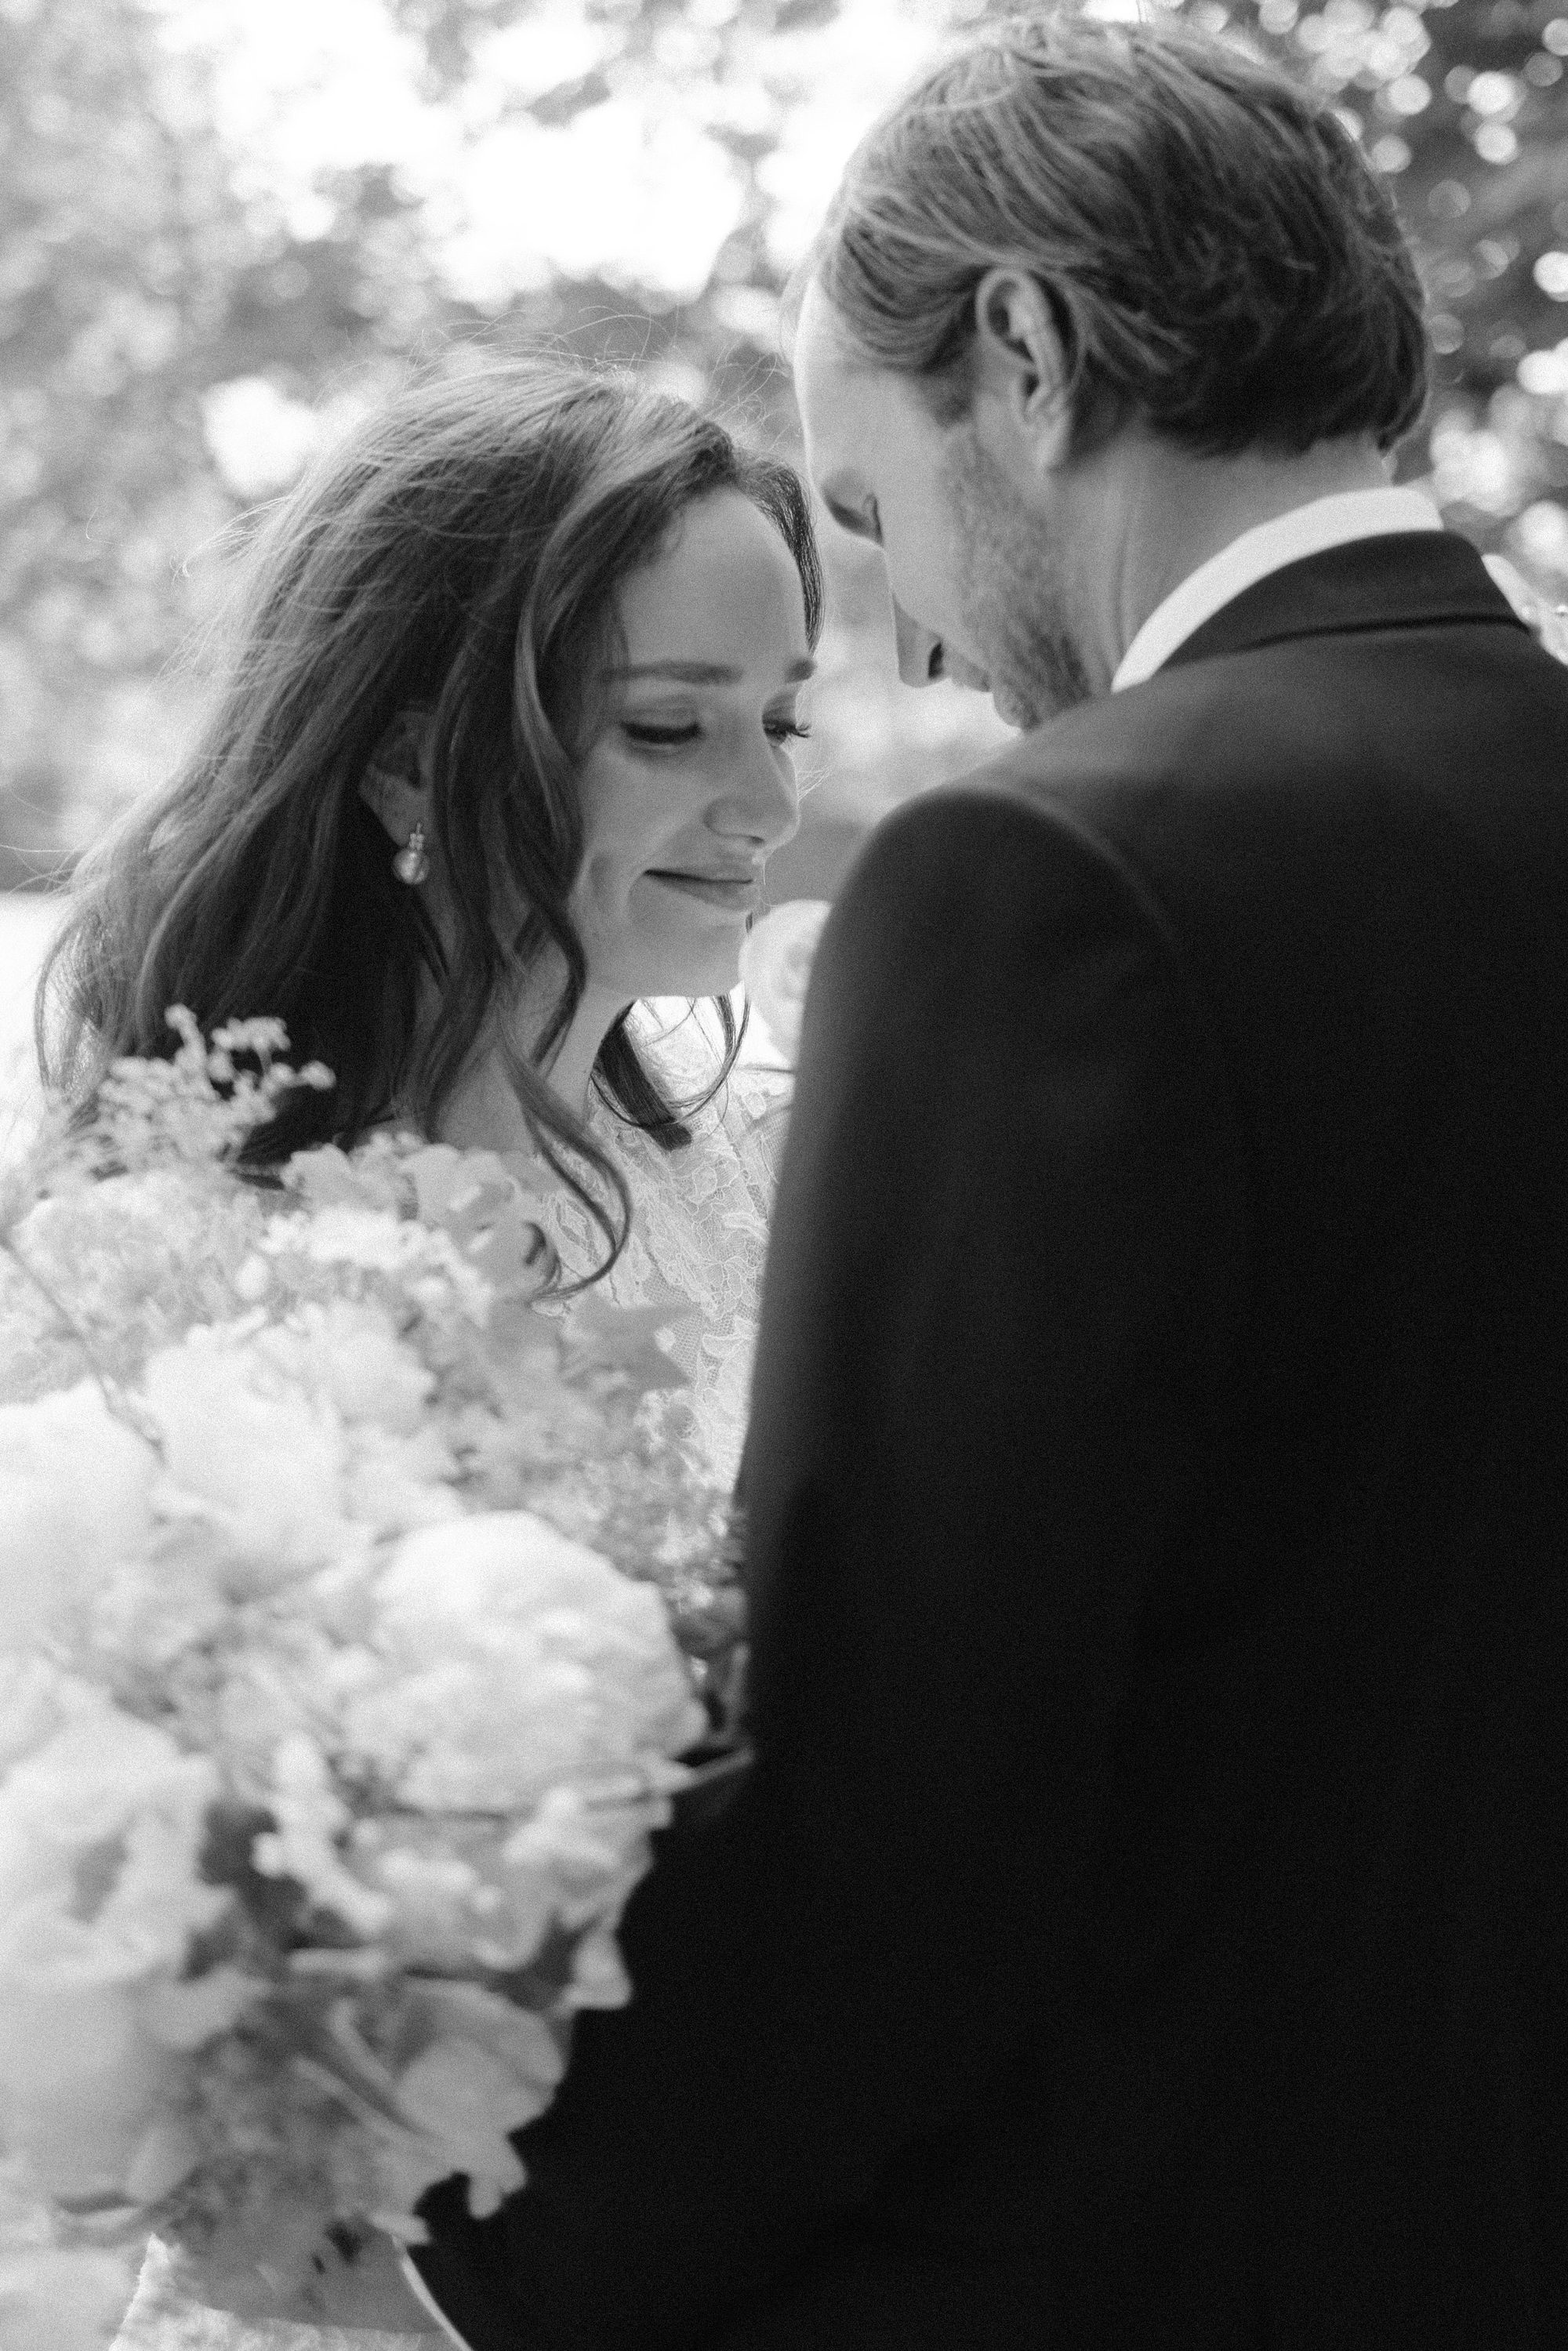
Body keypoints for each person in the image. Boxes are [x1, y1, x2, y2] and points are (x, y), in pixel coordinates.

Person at [410, 16, 1568, 2349]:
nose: (916, 636)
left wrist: (477, 2240)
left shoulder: (1052, 874)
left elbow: (897, 1826)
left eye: (866, 508)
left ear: (1023, 352)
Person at [42, 358, 823, 1486]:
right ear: (411, 765)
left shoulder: (780, 1182)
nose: (773, 807)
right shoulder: (158, 1273)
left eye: (785, 722)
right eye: (667, 727)